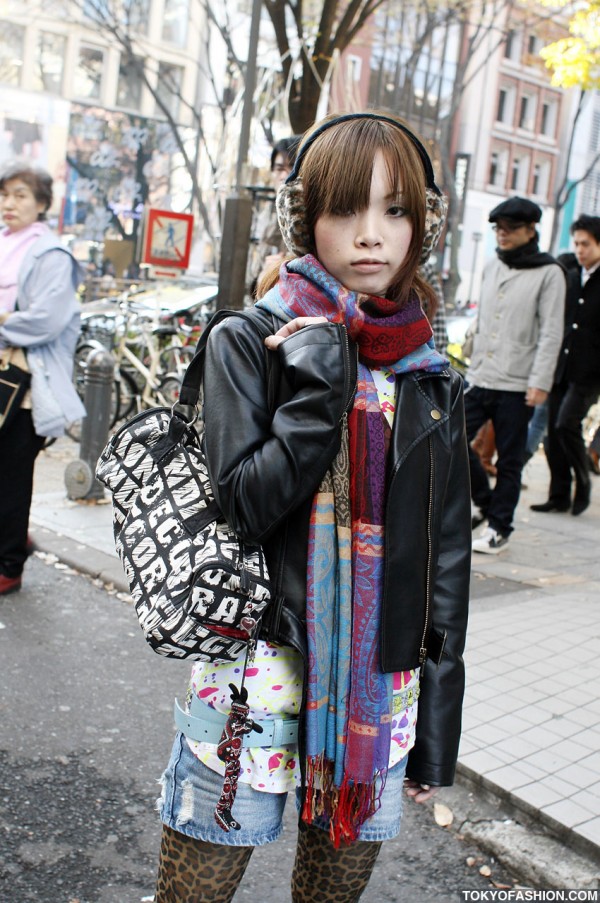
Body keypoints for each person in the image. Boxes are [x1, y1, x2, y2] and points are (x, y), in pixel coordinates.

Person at [153, 112, 471, 902]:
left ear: (421, 225)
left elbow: (445, 556)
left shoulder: (431, 373)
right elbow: (243, 508)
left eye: (395, 210)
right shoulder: (249, 340)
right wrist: (319, 384)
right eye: (345, 210)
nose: (371, 235)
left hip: (377, 692)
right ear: (307, 221)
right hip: (252, 682)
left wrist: (436, 732)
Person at [0, 162, 85, 596]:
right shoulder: (5, 244)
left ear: (42, 204)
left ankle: (9, 565)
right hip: (5, 377)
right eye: (4, 194)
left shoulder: (50, 254)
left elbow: (45, 321)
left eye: (19, 195)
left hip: (29, 385)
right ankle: (13, 539)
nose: (8, 204)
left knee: (11, 475)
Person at [466, 196, 565, 553]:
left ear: (530, 230)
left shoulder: (550, 272)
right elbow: (484, 316)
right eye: (498, 229)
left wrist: (540, 383)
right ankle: (486, 504)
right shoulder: (493, 265)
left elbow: (552, 332)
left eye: (510, 229)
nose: (502, 235)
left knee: (509, 460)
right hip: (482, 376)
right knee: (452, 438)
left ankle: (499, 527)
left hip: (519, 383)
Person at [530, 214, 600, 516]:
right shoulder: (570, 272)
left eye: (586, 244)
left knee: (566, 424)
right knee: (551, 434)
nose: (580, 249)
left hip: (591, 372)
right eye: (577, 244)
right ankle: (558, 495)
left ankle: (583, 482)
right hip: (562, 366)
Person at [248, 136, 301, 297]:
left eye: (292, 167)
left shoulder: (306, 220)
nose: (284, 175)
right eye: (279, 169)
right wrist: (263, 277)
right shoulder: (271, 221)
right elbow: (255, 277)